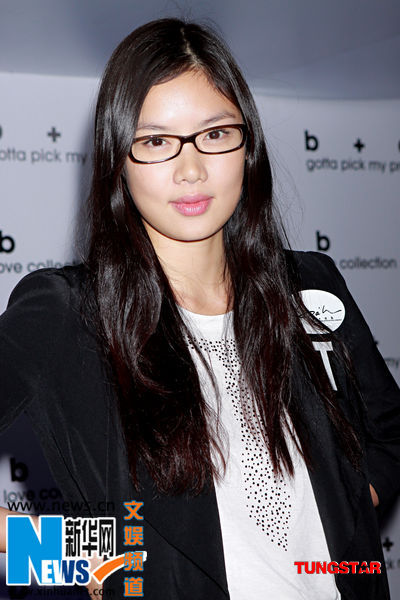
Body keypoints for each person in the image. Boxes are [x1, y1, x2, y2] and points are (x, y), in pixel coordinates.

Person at [0, 17, 399, 600]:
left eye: (214, 134)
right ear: (118, 159)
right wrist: (82, 554)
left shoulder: (310, 284)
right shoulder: (69, 311)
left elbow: (389, 433)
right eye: (156, 141)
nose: (191, 169)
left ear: (247, 146)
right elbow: (118, 552)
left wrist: (350, 511)